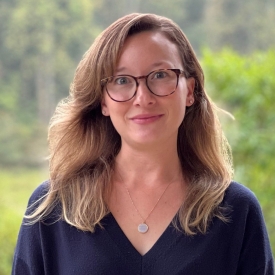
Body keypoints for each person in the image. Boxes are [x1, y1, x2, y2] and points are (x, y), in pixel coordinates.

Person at [12, 13, 274, 275]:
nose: (143, 97)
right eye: (122, 80)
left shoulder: (236, 211)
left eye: (160, 75)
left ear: (190, 91)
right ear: (103, 100)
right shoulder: (51, 209)